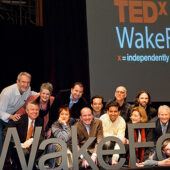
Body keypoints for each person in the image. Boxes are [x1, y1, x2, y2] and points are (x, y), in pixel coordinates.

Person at [0, 72, 36, 155]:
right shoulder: (7, 93)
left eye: (28, 82)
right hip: (2, 115)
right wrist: (11, 116)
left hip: (10, 118)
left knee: (19, 132)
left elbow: (32, 93)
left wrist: (42, 94)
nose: (26, 85)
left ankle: (15, 156)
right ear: (18, 82)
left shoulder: (28, 89)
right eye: (23, 82)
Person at [4, 100, 44, 169]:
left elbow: (41, 135)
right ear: (27, 111)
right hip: (18, 147)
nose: (35, 112)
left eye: (37, 110)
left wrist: (32, 140)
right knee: (24, 153)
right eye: (32, 109)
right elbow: (5, 131)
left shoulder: (40, 120)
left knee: (42, 146)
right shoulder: (20, 119)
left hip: (30, 146)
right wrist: (18, 143)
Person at [47, 104, 76, 168]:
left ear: (69, 116)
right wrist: (64, 125)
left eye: (66, 114)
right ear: (59, 115)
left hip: (71, 147)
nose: (64, 116)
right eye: (62, 114)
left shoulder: (73, 122)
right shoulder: (55, 125)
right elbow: (63, 139)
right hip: (58, 148)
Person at [100, 100, 126, 165]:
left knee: (124, 142)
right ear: (107, 112)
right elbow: (102, 136)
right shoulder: (102, 119)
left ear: (119, 112)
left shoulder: (122, 121)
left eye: (115, 111)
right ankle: (106, 161)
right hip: (104, 143)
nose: (113, 114)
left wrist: (115, 158)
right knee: (106, 142)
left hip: (116, 143)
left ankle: (114, 161)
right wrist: (115, 137)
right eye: (111, 111)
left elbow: (120, 139)